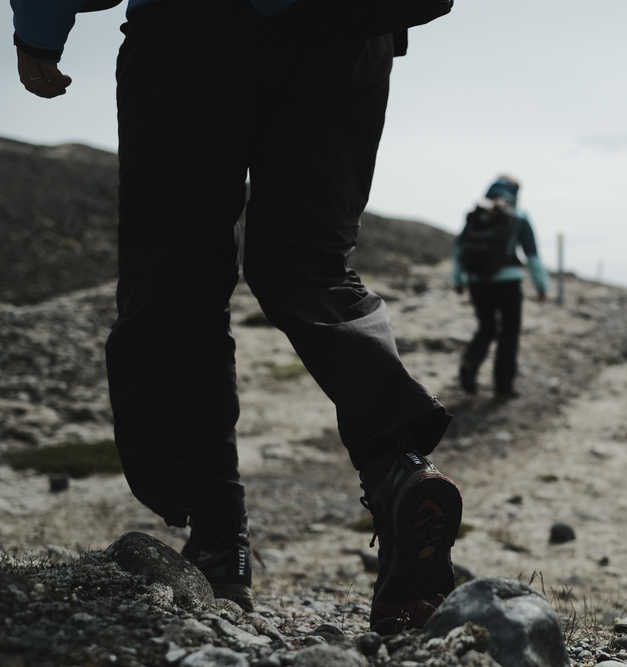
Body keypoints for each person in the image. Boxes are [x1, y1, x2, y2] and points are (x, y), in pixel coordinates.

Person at [12, 0, 462, 635]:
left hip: (191, 34)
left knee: (178, 284)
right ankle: (398, 468)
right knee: (310, 270)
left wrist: (39, 30)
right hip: (349, 30)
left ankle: (219, 541)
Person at [453, 176, 548, 398]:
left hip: (477, 282)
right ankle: (503, 387)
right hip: (509, 282)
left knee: (486, 328)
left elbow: (459, 249)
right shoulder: (519, 216)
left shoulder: (476, 214)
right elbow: (532, 255)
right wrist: (541, 285)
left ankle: (469, 366)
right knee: (509, 333)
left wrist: (459, 280)